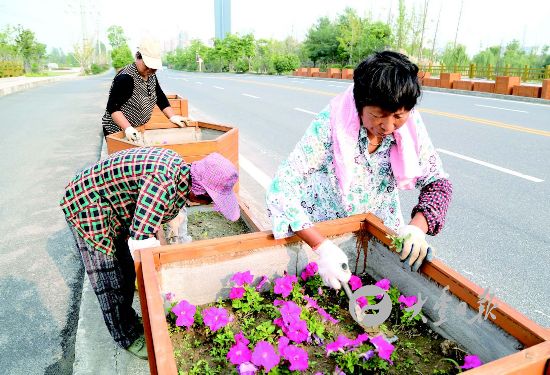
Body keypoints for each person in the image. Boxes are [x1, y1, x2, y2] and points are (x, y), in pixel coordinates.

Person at [266, 51, 452, 290]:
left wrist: (417, 229)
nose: (387, 126)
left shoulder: (410, 126)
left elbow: (437, 182)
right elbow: (281, 187)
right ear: (359, 103)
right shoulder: (331, 123)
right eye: (377, 116)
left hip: (377, 231)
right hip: (328, 232)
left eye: (398, 116)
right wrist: (321, 247)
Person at [60, 148, 240, 359]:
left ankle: (127, 317)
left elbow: (151, 220)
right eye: (210, 200)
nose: (210, 205)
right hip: (87, 205)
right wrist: (160, 286)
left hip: (110, 203)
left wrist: (162, 256)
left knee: (126, 270)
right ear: (199, 193)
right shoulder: (164, 184)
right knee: (109, 277)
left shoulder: (182, 174)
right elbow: (141, 243)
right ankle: (126, 336)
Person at [101, 37, 189, 142]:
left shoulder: (150, 75)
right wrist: (127, 128)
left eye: (153, 68)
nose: (150, 70)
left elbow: (159, 96)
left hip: (136, 128)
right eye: (147, 65)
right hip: (118, 130)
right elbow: (113, 108)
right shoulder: (126, 78)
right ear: (138, 57)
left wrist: (172, 117)